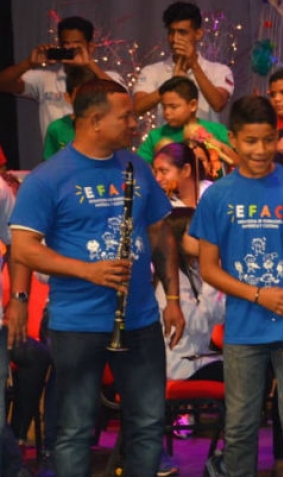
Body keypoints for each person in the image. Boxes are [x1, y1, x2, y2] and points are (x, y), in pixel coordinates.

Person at [10, 78, 184, 477]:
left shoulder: (135, 165)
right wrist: (88, 270)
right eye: (125, 117)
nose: (134, 124)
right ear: (93, 121)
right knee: (75, 429)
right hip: (78, 323)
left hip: (139, 320)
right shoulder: (47, 177)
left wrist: (172, 300)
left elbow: (160, 233)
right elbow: (24, 249)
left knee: (147, 424)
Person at [188, 95, 283, 477]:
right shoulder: (217, 194)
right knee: (240, 427)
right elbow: (209, 268)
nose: (261, 150)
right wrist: (258, 295)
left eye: (268, 140)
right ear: (233, 139)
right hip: (243, 328)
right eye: (250, 141)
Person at [0, 15, 121, 140]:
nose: (69, 48)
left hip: (98, 157)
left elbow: (122, 100)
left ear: (90, 47)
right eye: (65, 44)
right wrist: (28, 63)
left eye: (76, 44)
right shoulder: (45, 80)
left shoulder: (107, 78)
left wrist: (89, 64)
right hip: (56, 155)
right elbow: (3, 83)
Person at [134, 2, 235, 124]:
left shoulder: (220, 70)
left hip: (205, 141)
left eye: (182, 32)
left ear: (198, 34)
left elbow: (218, 104)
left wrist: (194, 65)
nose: (175, 39)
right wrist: (171, 84)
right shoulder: (152, 71)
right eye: (171, 32)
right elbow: (138, 108)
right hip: (167, 142)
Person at [137, 77, 236, 166]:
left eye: (173, 107)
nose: (166, 112)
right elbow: (138, 168)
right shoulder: (155, 137)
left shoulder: (216, 130)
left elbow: (240, 163)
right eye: (164, 106)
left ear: (193, 105)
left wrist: (218, 145)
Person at [43, 67, 96, 160]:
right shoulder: (56, 128)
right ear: (68, 97)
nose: (85, 100)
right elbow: (49, 167)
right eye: (80, 95)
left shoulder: (104, 126)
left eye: (90, 94)